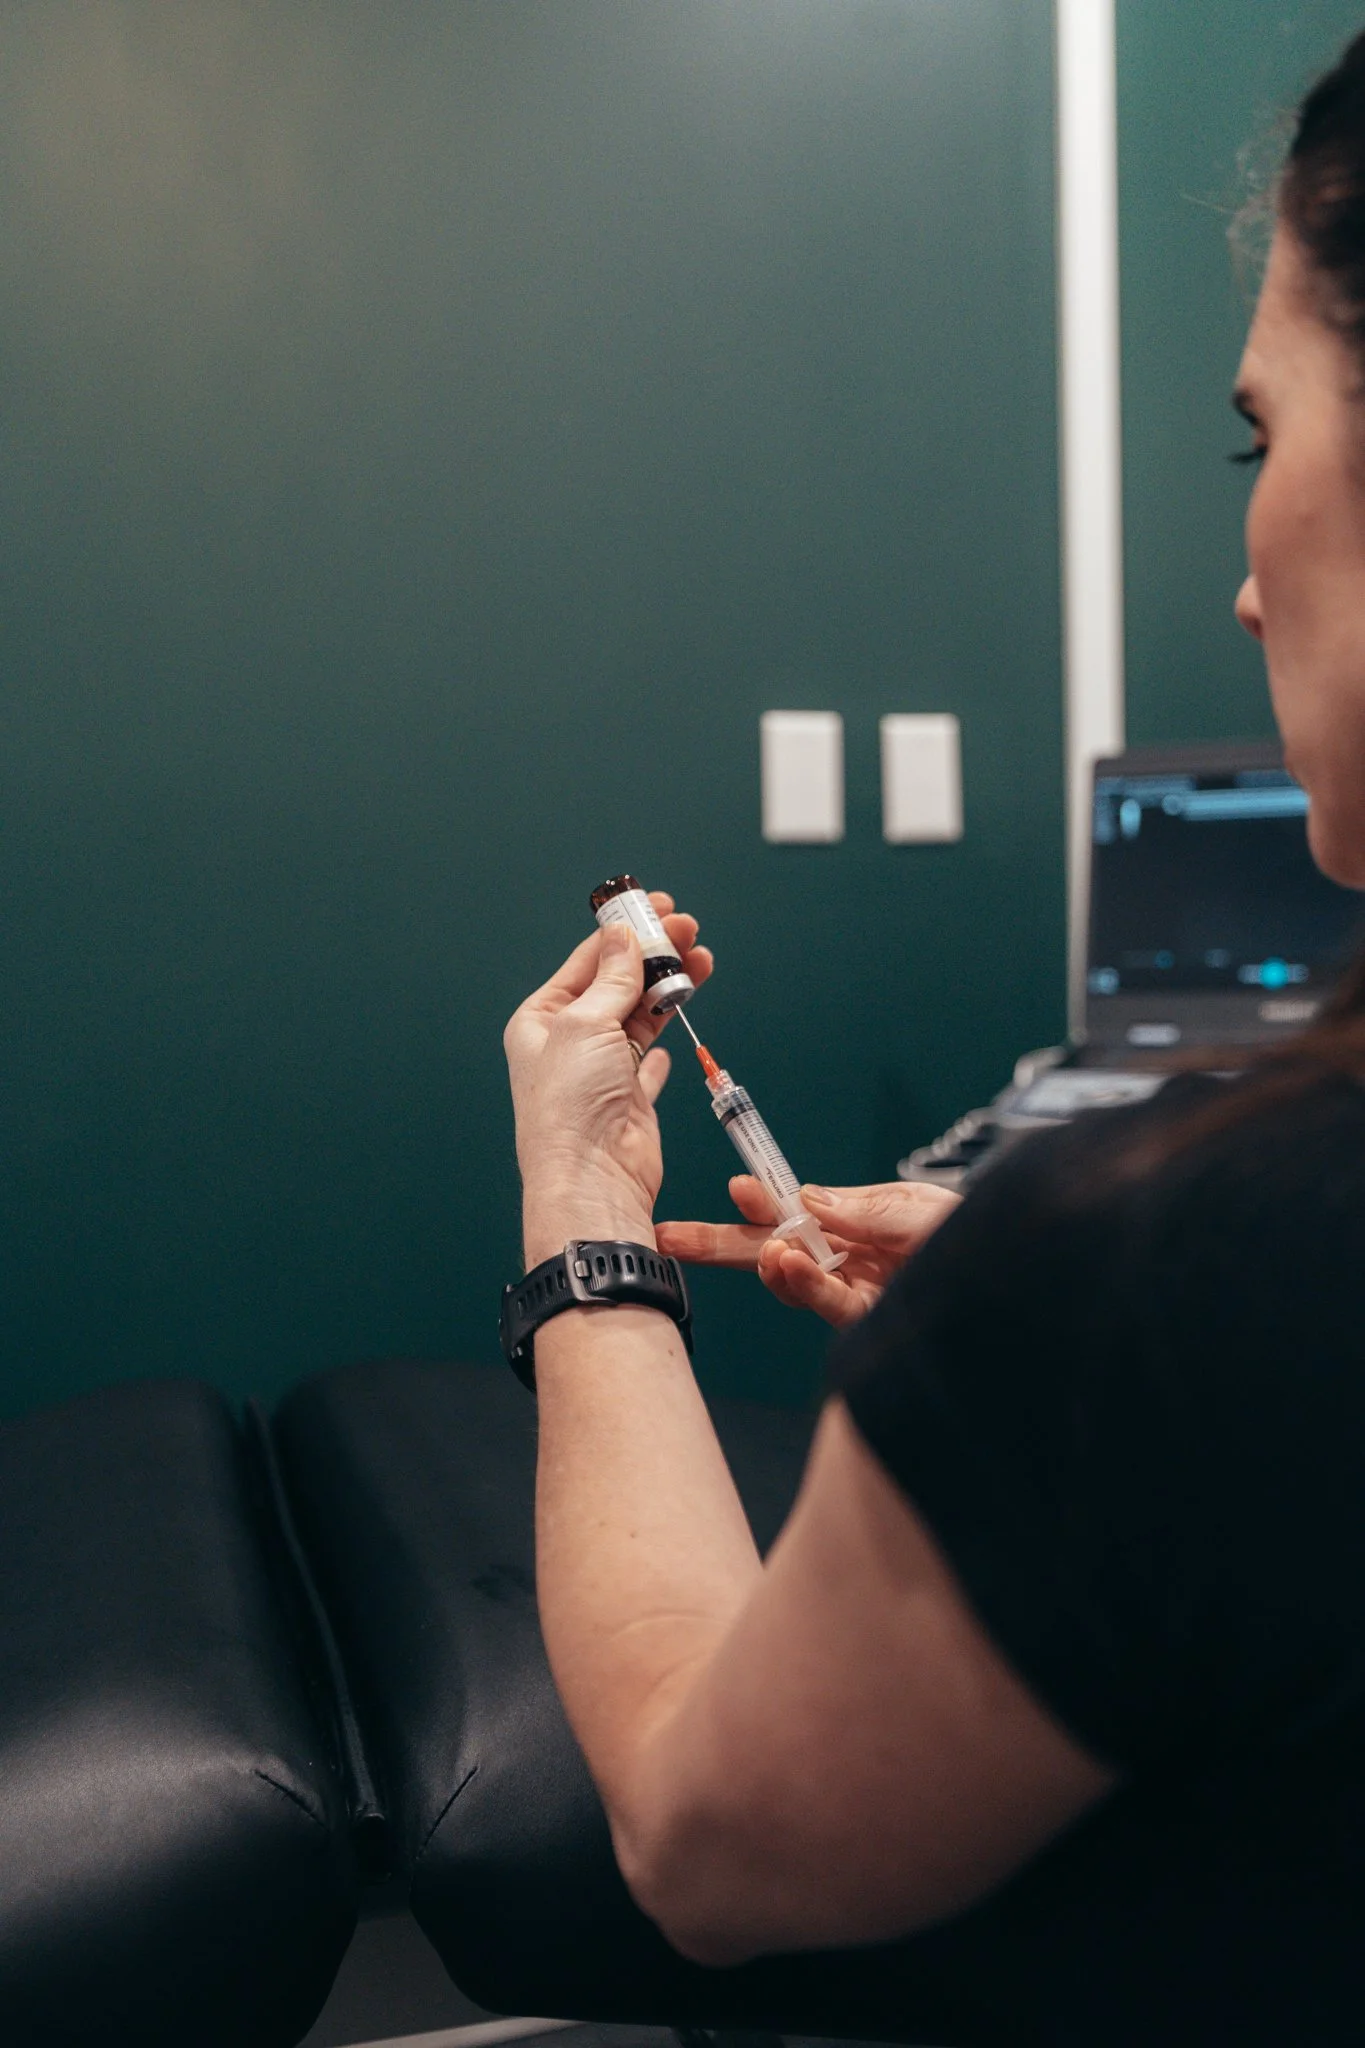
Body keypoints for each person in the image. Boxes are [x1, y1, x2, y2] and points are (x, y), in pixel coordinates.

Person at [502, 33, 1365, 2043]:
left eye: (1266, 444)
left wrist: (582, 1222)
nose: (1244, 584)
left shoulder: (1200, 1271)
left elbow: (702, 1841)